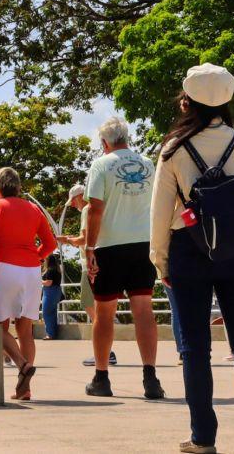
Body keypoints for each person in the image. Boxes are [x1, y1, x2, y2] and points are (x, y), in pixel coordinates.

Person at [150, 64, 234, 454]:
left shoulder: (173, 149)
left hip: (188, 247)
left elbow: (160, 212)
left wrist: (160, 260)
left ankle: (203, 438)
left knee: (194, 348)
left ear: (186, 102)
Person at [84, 115, 165, 400]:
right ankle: (150, 377)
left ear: (104, 142)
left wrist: (89, 248)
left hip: (110, 246)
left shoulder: (101, 165)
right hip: (144, 243)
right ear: (126, 138)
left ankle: (102, 376)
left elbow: (95, 209)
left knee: (104, 312)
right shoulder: (147, 164)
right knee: (143, 309)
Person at [0, 166, 58, 402]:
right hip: (31, 272)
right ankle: (24, 389)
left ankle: (22, 364)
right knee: (25, 330)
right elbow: (50, 244)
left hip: (5, 268)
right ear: (18, 187)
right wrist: (35, 257)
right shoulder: (33, 208)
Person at [60, 184, 113, 367]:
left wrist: (68, 240)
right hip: (103, 261)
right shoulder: (102, 206)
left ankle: (104, 352)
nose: (74, 205)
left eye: (73, 201)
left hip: (89, 264)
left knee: (90, 306)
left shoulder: (86, 210)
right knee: (99, 308)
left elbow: (84, 239)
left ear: (80, 196)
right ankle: (106, 351)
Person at [41, 254, 64, 339]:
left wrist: (39, 281)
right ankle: (53, 333)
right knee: (52, 313)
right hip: (56, 292)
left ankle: (50, 334)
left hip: (50, 292)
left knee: (46, 313)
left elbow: (48, 283)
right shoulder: (57, 270)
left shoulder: (50, 270)